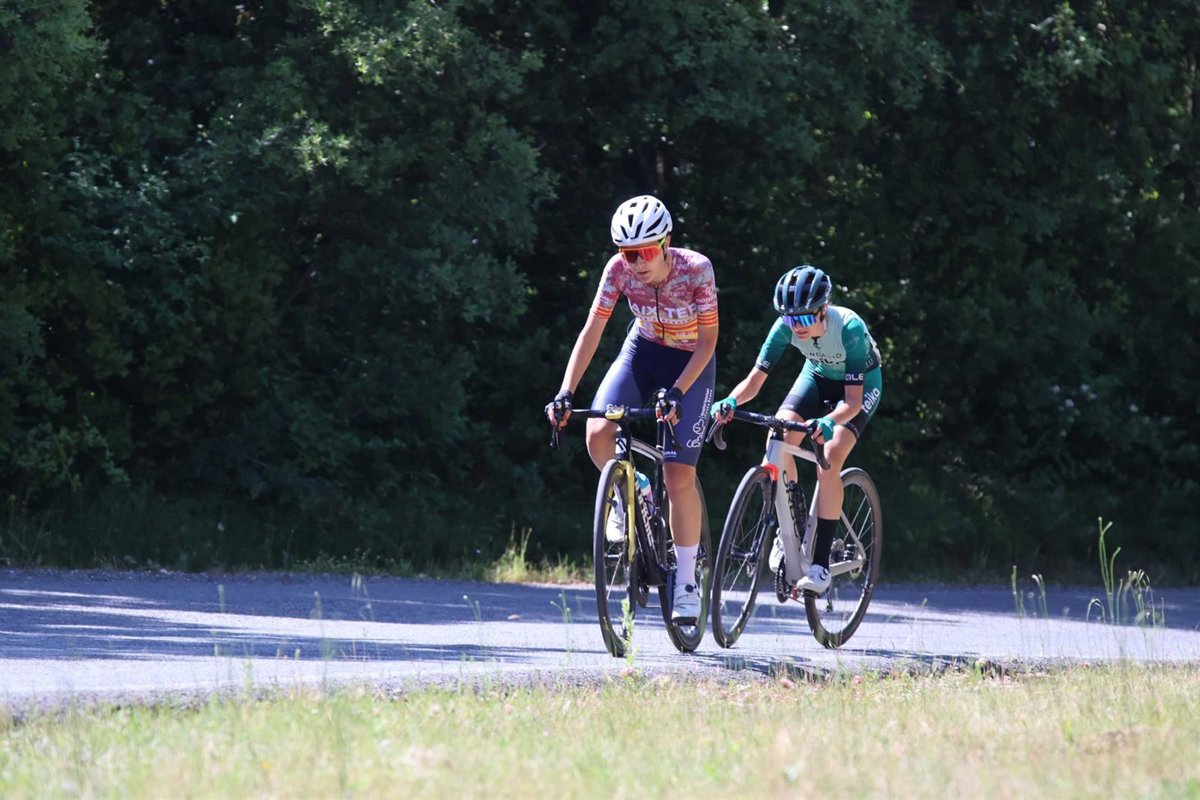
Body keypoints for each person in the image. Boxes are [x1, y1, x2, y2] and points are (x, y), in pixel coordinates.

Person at [546, 195, 718, 623]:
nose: (636, 262)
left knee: (678, 474)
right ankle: (633, 487)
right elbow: (593, 329)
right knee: (598, 432)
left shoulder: (696, 269)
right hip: (642, 351)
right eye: (627, 253)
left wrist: (677, 391)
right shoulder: (618, 270)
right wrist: (566, 391)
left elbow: (708, 342)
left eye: (644, 251)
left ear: (665, 243)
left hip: (690, 361)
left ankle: (687, 582)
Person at [709, 265, 882, 594]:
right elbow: (755, 380)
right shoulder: (784, 327)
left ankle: (820, 566)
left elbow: (852, 402)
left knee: (829, 456)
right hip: (816, 377)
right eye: (790, 320)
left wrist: (829, 421)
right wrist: (730, 400)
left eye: (803, 318)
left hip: (859, 389)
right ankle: (789, 525)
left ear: (823, 309)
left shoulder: (849, 329)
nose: (796, 326)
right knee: (777, 435)